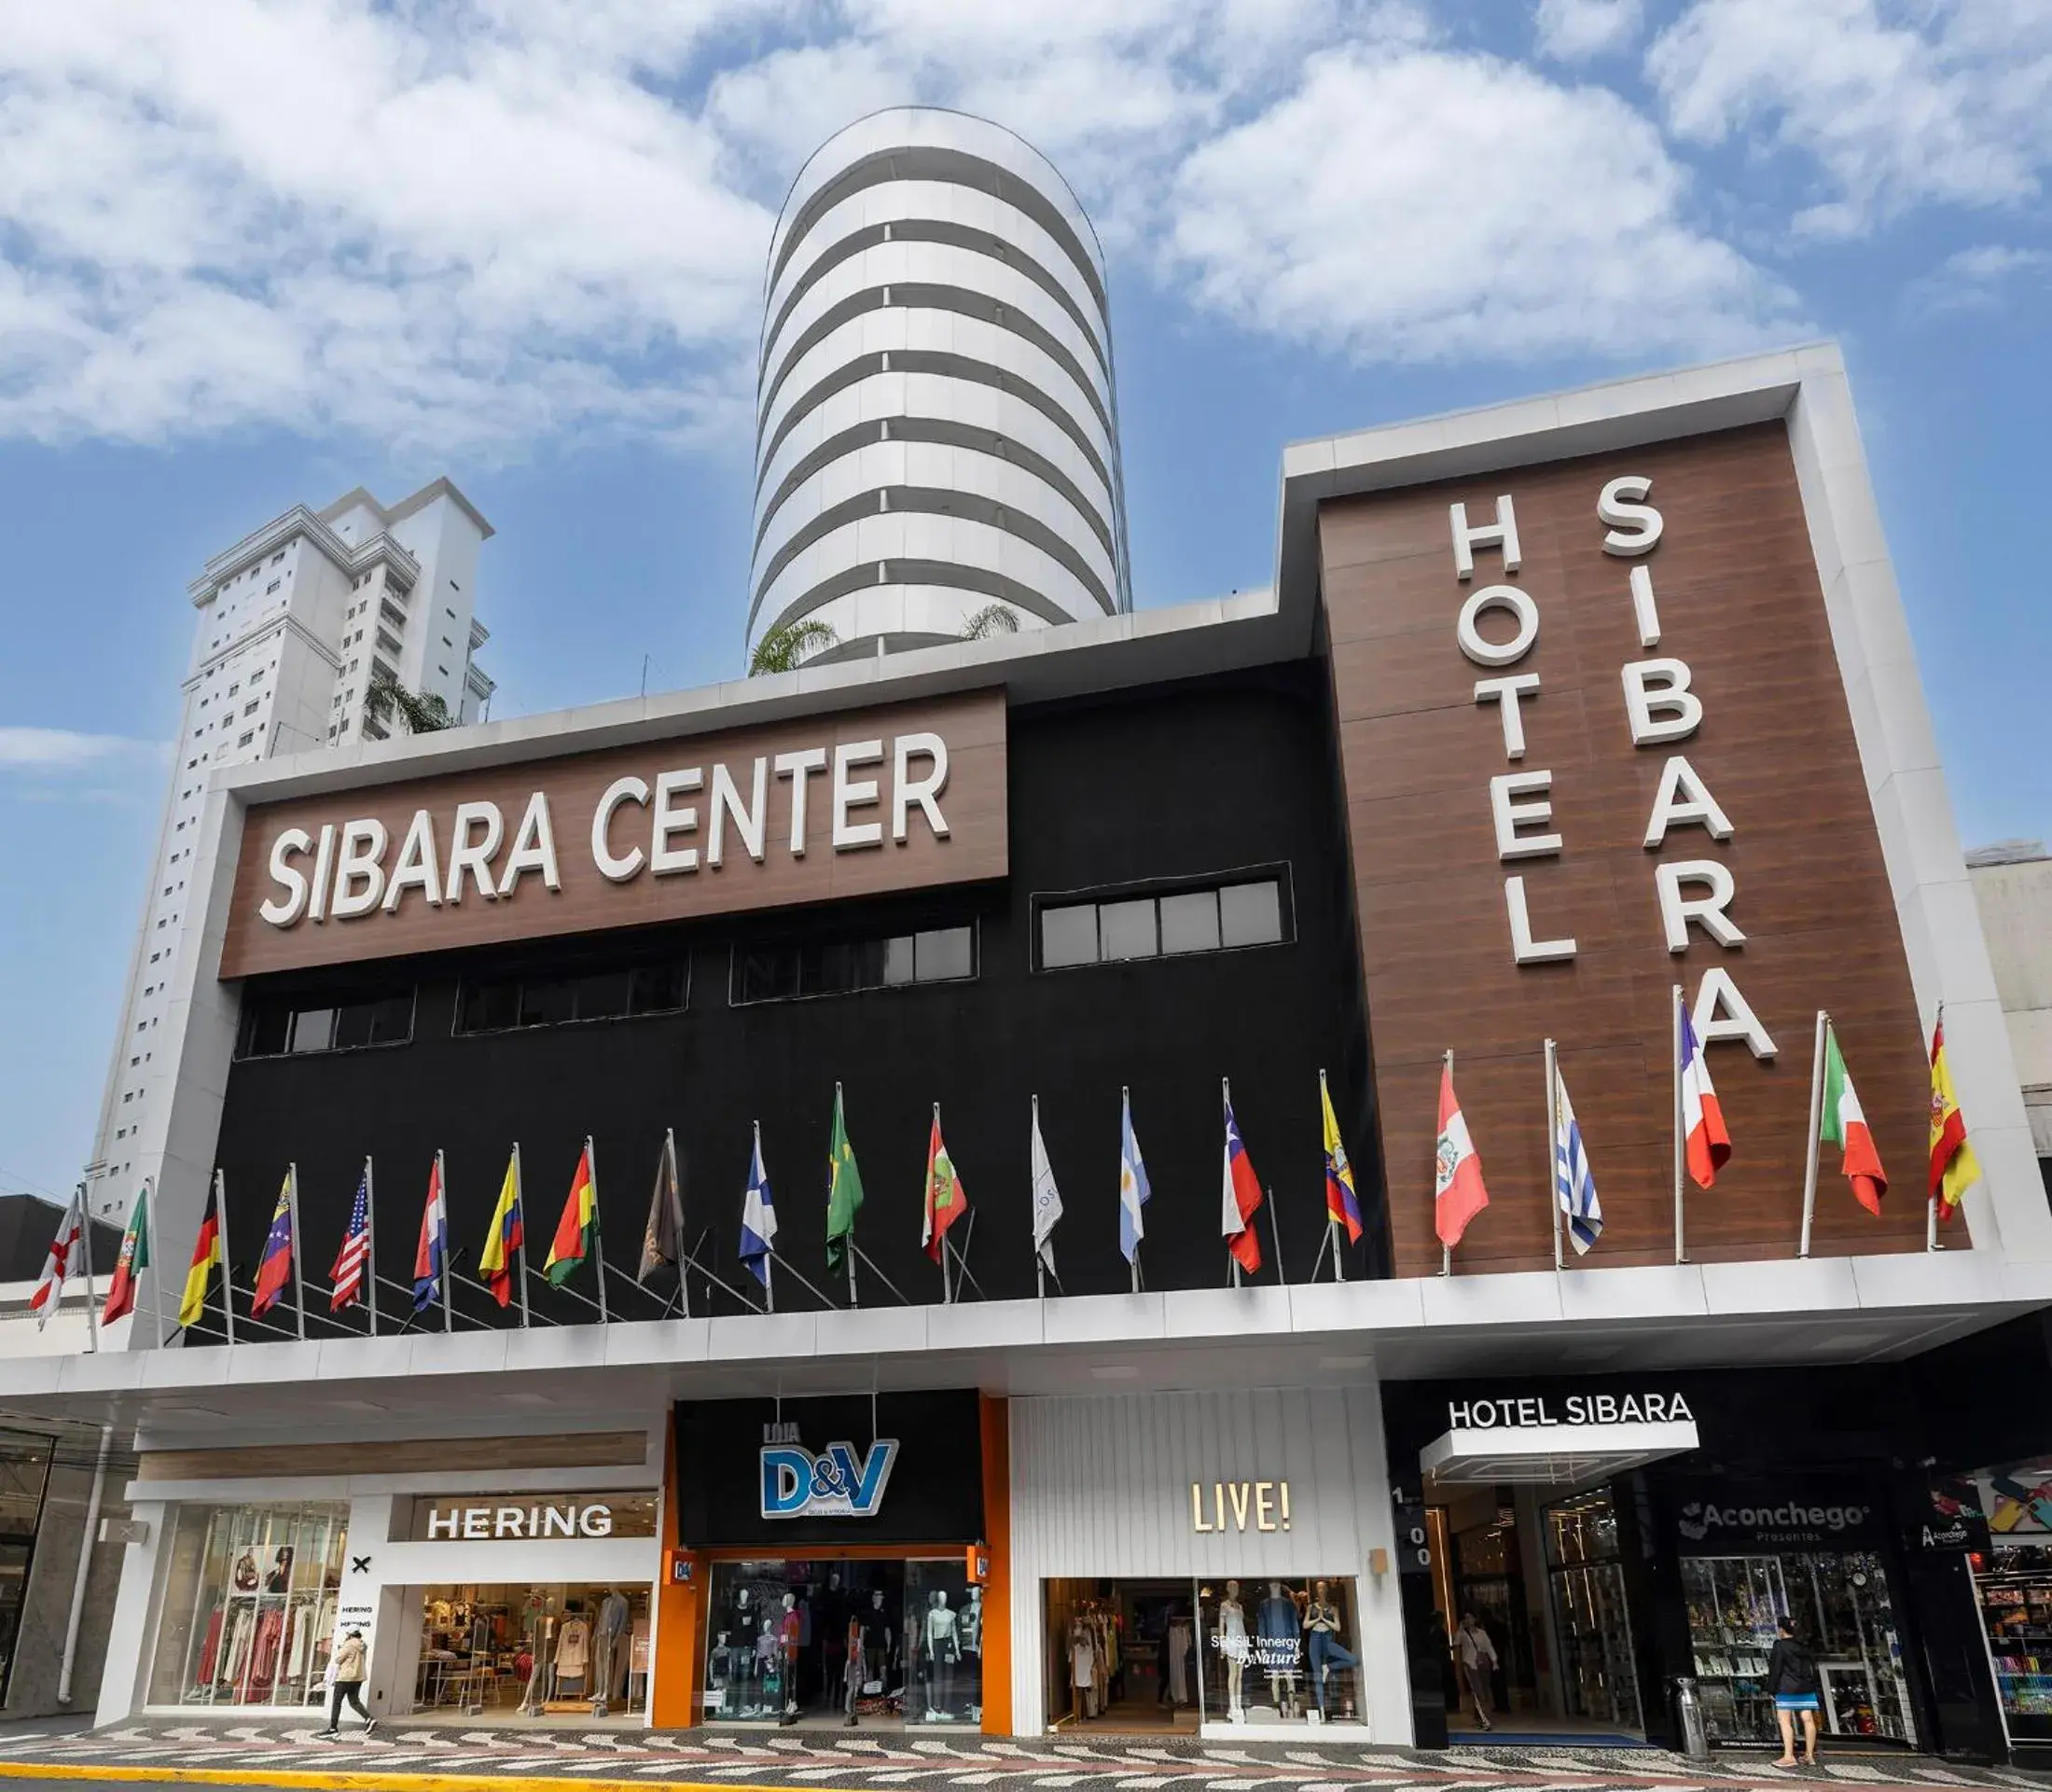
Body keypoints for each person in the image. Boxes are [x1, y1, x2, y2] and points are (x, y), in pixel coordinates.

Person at [1766, 1615, 1822, 1767]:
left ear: (1782, 1630)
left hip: (1787, 1687)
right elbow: (1812, 1667)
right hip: (1806, 1686)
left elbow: (1776, 1669)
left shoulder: (1780, 1645)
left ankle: (1789, 1756)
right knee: (1807, 1719)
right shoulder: (1804, 1646)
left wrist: (1771, 1688)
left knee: (1784, 1720)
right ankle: (1809, 1755)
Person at [315, 1629, 376, 1739]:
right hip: (358, 1677)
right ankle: (369, 1718)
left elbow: (338, 1659)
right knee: (354, 1701)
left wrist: (342, 1647)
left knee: (337, 1702)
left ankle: (333, 1728)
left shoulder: (348, 1645)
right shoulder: (363, 1645)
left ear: (350, 1634)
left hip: (345, 1677)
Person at [1454, 1613, 1498, 1731]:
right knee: (1477, 1692)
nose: (1468, 1620)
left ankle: (1480, 1717)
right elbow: (1456, 1643)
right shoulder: (1462, 1634)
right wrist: (1460, 1629)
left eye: (1470, 1617)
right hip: (1470, 1664)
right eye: (1466, 1618)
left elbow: (1488, 1647)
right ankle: (1484, 1720)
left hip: (1483, 1664)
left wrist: (1494, 1661)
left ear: (1475, 1619)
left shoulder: (1481, 1633)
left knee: (1485, 1690)